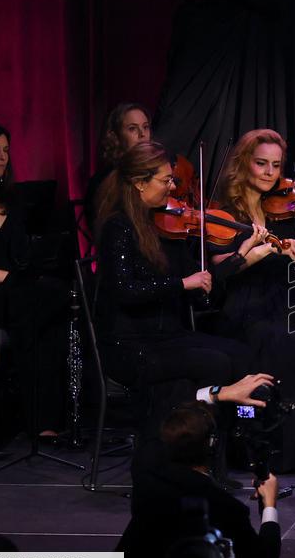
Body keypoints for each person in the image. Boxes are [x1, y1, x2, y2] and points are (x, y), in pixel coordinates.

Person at [93, 140, 272, 440]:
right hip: (132, 345)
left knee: (241, 353)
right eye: (166, 180)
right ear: (140, 183)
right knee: (217, 363)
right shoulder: (118, 227)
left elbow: (201, 284)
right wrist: (181, 284)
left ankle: (241, 438)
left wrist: (241, 255)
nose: (173, 187)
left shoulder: (160, 225)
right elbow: (126, 290)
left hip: (167, 336)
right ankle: (205, 445)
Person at [212, 128, 295, 470]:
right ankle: (272, 449)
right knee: (284, 343)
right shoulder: (225, 212)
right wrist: (260, 252)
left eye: (276, 166)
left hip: (283, 300)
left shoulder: (284, 208)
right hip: (245, 305)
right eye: (261, 163)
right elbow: (219, 270)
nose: (269, 173)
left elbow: (292, 267)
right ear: (244, 163)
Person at [0, 122, 68, 458]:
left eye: (6, 150)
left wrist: (32, 261)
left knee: (55, 302)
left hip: (11, 288)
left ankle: (43, 419)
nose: (2, 157)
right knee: (21, 311)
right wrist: (3, 277)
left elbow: (21, 253)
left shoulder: (14, 200)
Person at [109, 403, 284, 558]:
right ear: (212, 445)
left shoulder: (144, 466)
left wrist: (212, 395)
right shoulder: (223, 505)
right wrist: (269, 506)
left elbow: (154, 441)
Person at [85, 103, 153, 233]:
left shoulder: (156, 171)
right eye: (132, 129)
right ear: (116, 136)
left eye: (145, 127)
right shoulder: (104, 179)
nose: (142, 134)